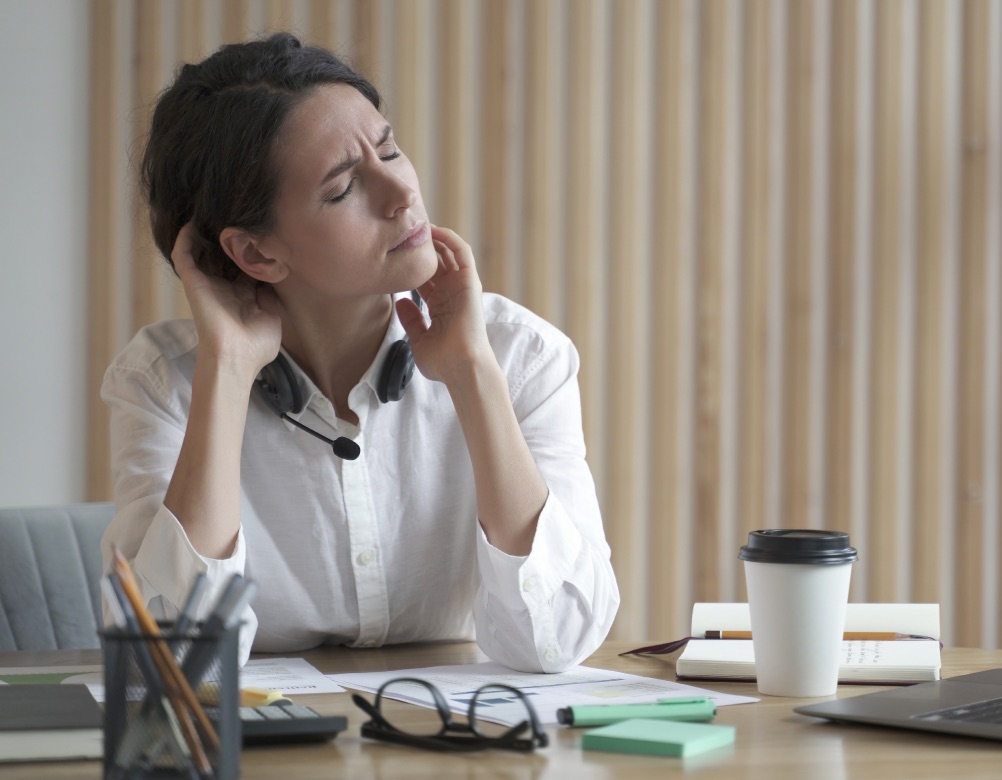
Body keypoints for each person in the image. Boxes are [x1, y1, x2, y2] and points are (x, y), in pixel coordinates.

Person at [100, 32, 620, 672]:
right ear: (258, 253)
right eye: (343, 189)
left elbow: (557, 642)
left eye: (390, 150)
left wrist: (472, 373)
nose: (401, 194)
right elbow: (173, 665)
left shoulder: (522, 354)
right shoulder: (163, 382)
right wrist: (229, 373)